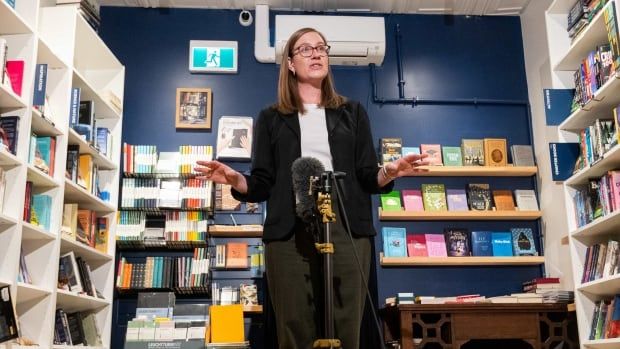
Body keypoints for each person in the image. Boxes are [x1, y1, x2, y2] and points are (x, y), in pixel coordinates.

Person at [195, 27, 429, 349]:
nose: (316, 53)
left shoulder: (353, 113)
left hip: (347, 225)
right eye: (305, 49)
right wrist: (236, 179)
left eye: (321, 48)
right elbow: (262, 183)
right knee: (294, 325)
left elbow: (366, 176)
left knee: (349, 323)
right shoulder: (271, 118)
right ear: (290, 64)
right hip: (289, 230)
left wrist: (390, 172)